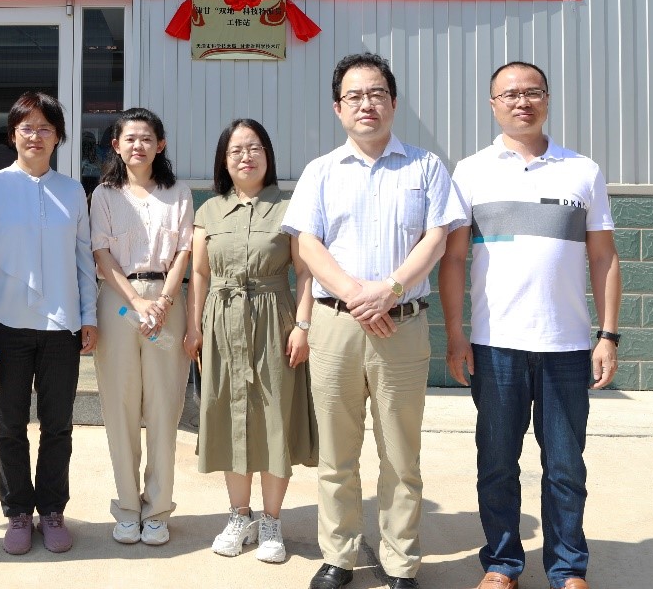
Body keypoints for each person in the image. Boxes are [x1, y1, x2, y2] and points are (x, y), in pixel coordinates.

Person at [281, 52, 462, 589]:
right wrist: (358, 296)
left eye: (377, 93)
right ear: (338, 108)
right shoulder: (320, 171)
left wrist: (390, 290)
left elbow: (437, 238)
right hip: (336, 325)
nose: (367, 104)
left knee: (401, 454)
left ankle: (402, 561)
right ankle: (338, 556)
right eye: (354, 96)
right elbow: (307, 243)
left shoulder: (426, 167)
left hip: (401, 324)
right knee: (337, 454)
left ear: (394, 102)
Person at [439, 62, 622, 589]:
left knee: (565, 466)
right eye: (510, 94)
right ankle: (502, 564)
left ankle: (567, 569)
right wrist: (456, 334)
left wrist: (608, 334)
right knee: (497, 463)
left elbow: (604, 258)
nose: (522, 102)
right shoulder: (471, 171)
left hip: (566, 346)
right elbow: (453, 259)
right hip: (494, 345)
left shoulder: (582, 170)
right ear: (493, 104)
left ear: (547, 99)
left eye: (533, 92)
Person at [0, 92, 98, 556]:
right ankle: (19, 511)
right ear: (12, 135)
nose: (35, 136)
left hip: (62, 327)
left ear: (58, 137)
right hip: (7, 326)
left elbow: (83, 259)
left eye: (45, 128)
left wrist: (88, 315)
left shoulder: (72, 191)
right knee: (10, 425)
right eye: (27, 127)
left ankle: (53, 509)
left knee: (58, 425)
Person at [184, 119, 317, 565]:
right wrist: (194, 327)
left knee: (274, 415)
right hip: (222, 322)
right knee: (229, 415)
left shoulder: (289, 208)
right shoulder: (208, 211)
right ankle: (239, 516)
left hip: (274, 320)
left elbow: (305, 272)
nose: (246, 156)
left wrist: (303, 326)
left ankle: (272, 521)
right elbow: (199, 274)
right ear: (223, 160)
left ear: (268, 155)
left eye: (254, 147)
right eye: (236, 150)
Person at [90, 107, 193, 546]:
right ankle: (128, 508)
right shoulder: (104, 194)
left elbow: (184, 252)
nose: (138, 145)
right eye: (130, 138)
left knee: (165, 406)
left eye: (147, 138)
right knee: (120, 406)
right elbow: (101, 253)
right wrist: (136, 302)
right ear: (116, 145)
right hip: (119, 304)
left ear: (160, 144)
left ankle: (159, 509)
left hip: (168, 303)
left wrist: (164, 302)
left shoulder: (178, 192)